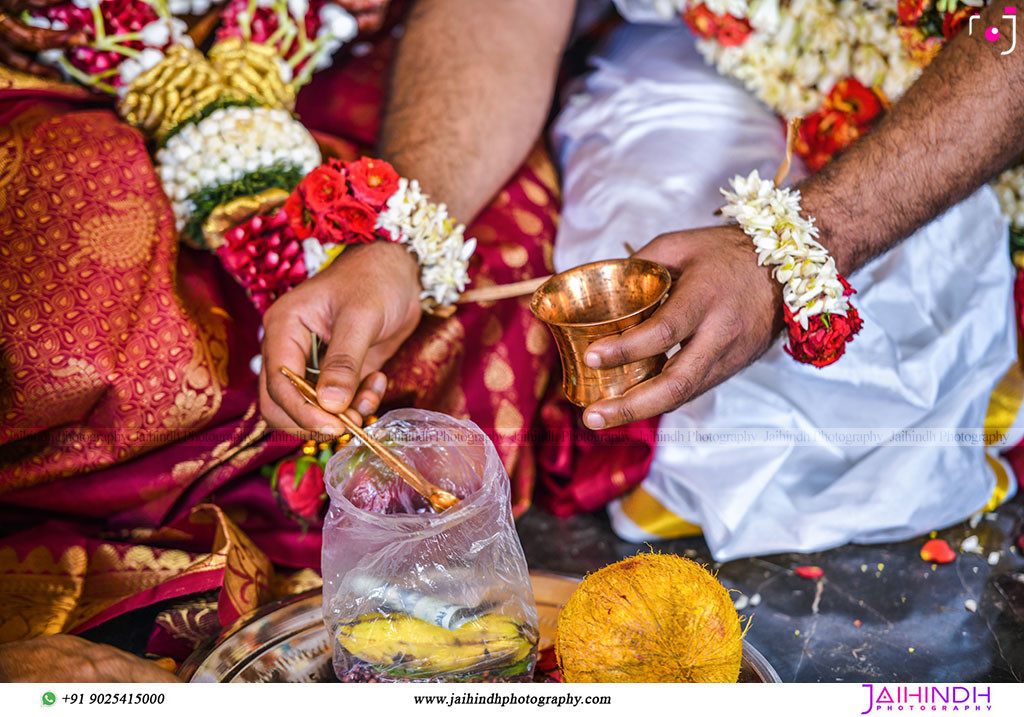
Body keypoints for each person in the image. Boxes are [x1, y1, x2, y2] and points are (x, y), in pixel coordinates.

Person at [262, 0, 1024, 560]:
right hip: (699, 46)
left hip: (974, 76)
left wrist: (799, 247)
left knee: (859, 385)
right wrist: (401, 239)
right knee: (649, 312)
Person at [0, 0, 565, 679]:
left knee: (495, 264)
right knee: (78, 338)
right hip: (57, 76)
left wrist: (401, 243)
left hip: (331, 48)